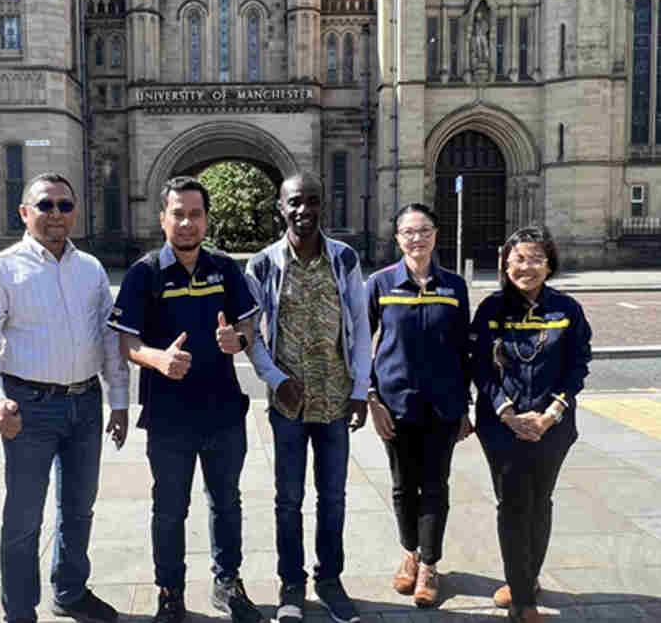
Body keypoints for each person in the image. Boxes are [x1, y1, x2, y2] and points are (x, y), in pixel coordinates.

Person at [0, 172, 129, 623]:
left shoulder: (91, 269)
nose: (56, 213)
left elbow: (107, 339)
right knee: (23, 518)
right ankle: (19, 611)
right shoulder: (0, 269)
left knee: (79, 509)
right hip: (27, 409)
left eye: (64, 205)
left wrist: (118, 400)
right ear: (24, 212)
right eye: (45, 205)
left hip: (86, 405)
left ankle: (70, 591)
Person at [107, 176, 263, 623]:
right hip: (169, 418)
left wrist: (238, 339)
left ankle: (227, 582)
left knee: (226, 501)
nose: (187, 222)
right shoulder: (144, 273)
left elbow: (248, 328)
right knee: (170, 508)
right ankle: (169, 590)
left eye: (195, 213)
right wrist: (159, 359)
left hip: (223, 413)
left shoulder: (226, 268)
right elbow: (127, 343)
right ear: (163, 219)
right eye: (178, 213)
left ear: (206, 219)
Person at [244, 172, 370, 623]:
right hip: (289, 405)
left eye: (312, 201)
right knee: (288, 499)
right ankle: (291, 584)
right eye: (295, 202)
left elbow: (359, 327)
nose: (304, 211)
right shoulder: (261, 265)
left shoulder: (345, 258)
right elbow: (249, 335)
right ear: (281, 208)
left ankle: (330, 580)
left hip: (336, 400)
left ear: (322, 206)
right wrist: (276, 379)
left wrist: (360, 390)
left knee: (333, 496)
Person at [471, 227, 591, 623]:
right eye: (519, 258)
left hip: (551, 425)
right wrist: (507, 412)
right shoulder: (490, 309)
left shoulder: (567, 310)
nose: (528, 267)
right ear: (506, 264)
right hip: (501, 425)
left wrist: (549, 415)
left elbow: (577, 367)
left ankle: (526, 577)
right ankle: (522, 600)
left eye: (537, 258)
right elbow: (481, 369)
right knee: (512, 504)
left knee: (540, 502)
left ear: (549, 263)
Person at [364, 203, 472, 608]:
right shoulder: (379, 283)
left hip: (443, 405)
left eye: (423, 230)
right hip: (396, 405)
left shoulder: (454, 286)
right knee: (402, 485)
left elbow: (464, 348)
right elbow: (361, 347)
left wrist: (465, 406)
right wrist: (372, 399)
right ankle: (410, 552)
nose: (416, 238)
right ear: (397, 239)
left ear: (435, 235)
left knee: (436, 485)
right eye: (408, 232)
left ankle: (430, 564)